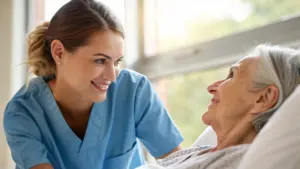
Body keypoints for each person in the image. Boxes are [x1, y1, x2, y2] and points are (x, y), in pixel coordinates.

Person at [3, 0, 183, 169]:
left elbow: (179, 162)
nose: (112, 76)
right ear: (59, 53)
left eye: (116, 62)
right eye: (100, 61)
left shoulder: (133, 90)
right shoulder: (23, 112)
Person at [137, 44, 300, 169]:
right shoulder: (202, 151)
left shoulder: (240, 160)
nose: (212, 87)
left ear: (263, 98)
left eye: (232, 75)